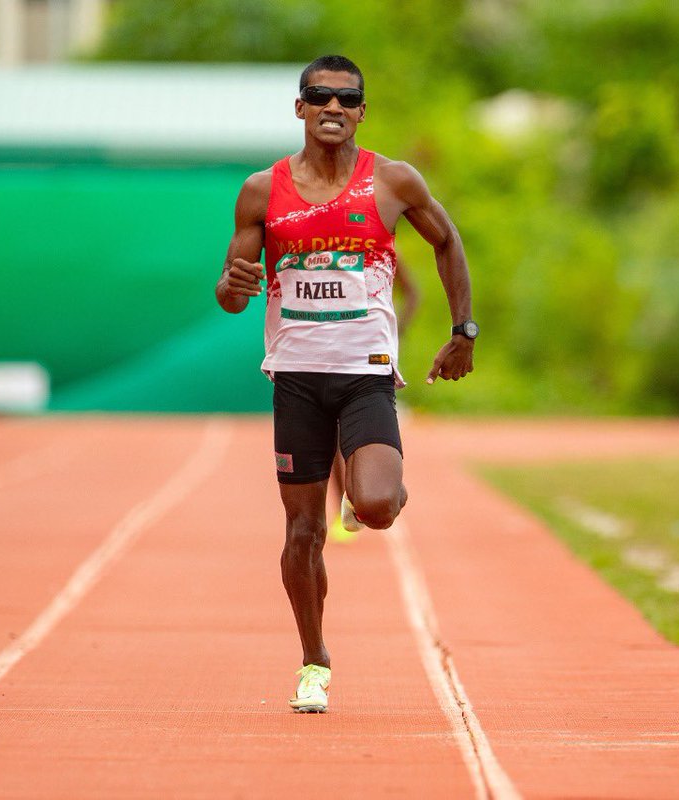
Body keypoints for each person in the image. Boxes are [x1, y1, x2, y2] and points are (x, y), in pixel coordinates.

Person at [215, 54, 478, 713]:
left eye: (346, 99)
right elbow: (230, 290)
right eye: (319, 97)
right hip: (297, 381)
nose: (333, 108)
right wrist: (231, 287)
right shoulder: (260, 191)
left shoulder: (392, 182)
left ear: (361, 112)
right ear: (299, 108)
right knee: (302, 532)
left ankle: (369, 493)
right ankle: (314, 660)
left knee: (378, 508)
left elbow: (448, 241)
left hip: (365, 379)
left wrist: (463, 330)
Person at [327, 253, 419, 543]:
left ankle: (373, 486)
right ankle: (343, 504)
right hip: (328, 357)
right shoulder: (324, 254)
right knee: (331, 442)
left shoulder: (385, 252)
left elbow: (413, 293)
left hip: (370, 361)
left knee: (353, 438)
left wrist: (397, 329)